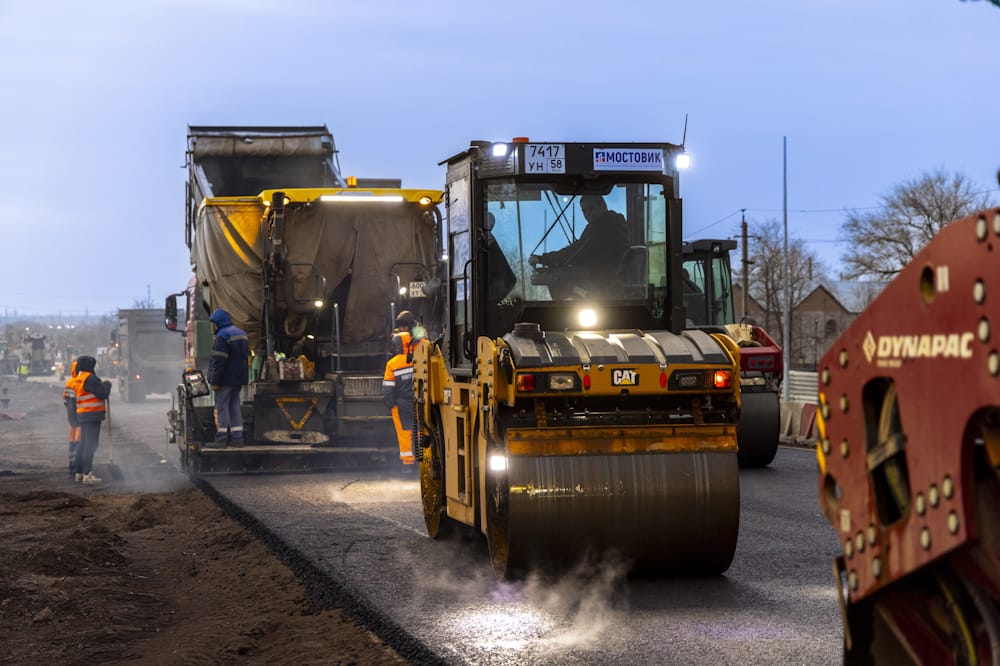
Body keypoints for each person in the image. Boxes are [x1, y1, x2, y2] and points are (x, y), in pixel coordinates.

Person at [528, 194, 629, 295]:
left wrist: (542, 259)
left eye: (591, 208)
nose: (588, 214)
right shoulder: (617, 224)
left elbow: (573, 253)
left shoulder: (601, 226)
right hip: (614, 283)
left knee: (559, 280)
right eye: (584, 211)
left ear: (603, 205)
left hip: (604, 287)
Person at [208, 308, 250, 447]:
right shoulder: (241, 333)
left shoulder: (222, 336)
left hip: (225, 379)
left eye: (214, 323)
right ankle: (238, 439)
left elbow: (219, 361)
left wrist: (215, 381)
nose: (213, 327)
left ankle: (221, 439)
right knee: (234, 406)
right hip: (239, 378)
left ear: (219, 322)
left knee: (222, 407)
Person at [72, 355, 112, 484]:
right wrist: (107, 385)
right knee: (91, 445)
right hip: (92, 415)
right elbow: (102, 394)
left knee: (83, 444)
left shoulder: (80, 378)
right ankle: (87, 474)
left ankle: (79, 472)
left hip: (83, 415)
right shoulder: (91, 378)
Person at [382, 333, 416, 469]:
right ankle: (425, 461)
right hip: (419, 402)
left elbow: (388, 388)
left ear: (396, 346)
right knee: (422, 430)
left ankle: (407, 463)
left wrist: (390, 403)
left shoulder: (392, 363)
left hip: (401, 404)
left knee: (404, 433)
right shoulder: (419, 358)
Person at [63, 360, 82, 476]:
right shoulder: (80, 383)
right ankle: (77, 467)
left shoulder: (69, 382)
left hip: (71, 417)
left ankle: (72, 466)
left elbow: (65, 399)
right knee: (79, 441)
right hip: (79, 415)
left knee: (72, 441)